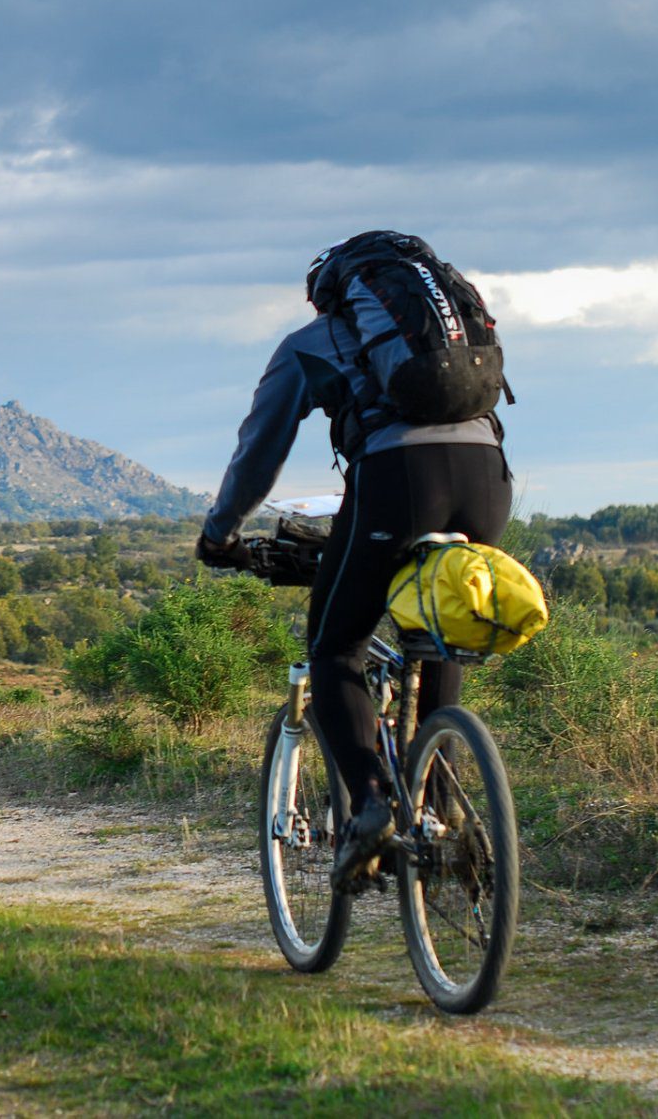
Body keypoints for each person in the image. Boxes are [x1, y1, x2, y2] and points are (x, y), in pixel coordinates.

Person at [195, 232, 512, 885]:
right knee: (434, 638)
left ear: (330, 291)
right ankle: (439, 812)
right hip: (488, 481)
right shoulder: (449, 337)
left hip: (400, 481)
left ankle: (370, 805)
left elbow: (260, 451)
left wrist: (220, 534)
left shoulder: (316, 342)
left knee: (336, 648)